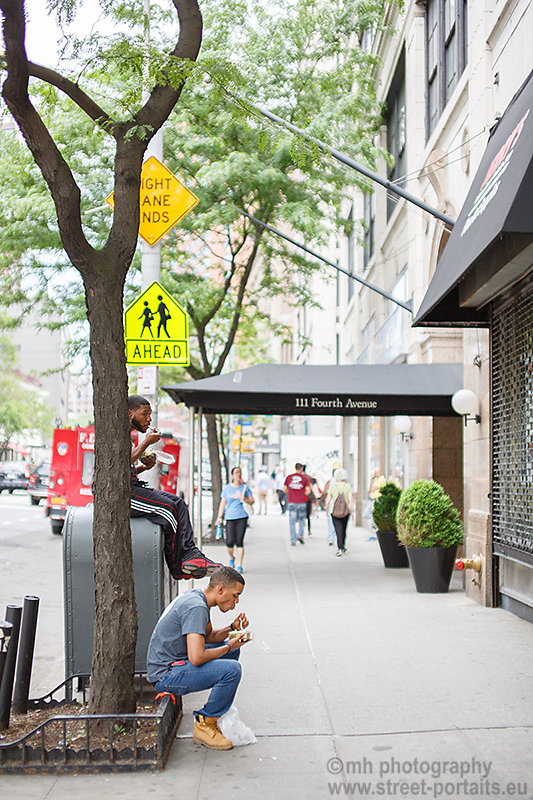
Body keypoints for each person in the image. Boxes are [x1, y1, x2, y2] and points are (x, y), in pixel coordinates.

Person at [147, 566, 251, 751]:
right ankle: (205, 724)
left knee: (231, 652)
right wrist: (228, 646)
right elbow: (197, 657)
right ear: (220, 589)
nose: (236, 601)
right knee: (232, 669)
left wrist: (231, 629)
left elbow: (208, 637)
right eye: (235, 595)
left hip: (178, 660)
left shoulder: (199, 598)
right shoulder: (196, 607)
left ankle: (216, 715)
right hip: (166, 674)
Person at [128, 394, 221, 580]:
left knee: (179, 503)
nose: (149, 419)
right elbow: (118, 465)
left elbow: (122, 469)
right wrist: (146, 441)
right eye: (145, 414)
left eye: (150, 414)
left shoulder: (127, 436)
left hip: (132, 486)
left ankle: (190, 553)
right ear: (130, 413)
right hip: (124, 495)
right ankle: (178, 566)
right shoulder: (116, 434)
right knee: (168, 510)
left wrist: (142, 467)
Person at [216, 466, 254, 574]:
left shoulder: (245, 488)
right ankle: (231, 558)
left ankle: (239, 566)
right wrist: (219, 517)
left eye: (240, 473)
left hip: (242, 516)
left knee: (239, 542)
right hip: (230, 517)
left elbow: (252, 500)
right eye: (236, 473)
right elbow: (223, 502)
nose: (238, 475)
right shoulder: (227, 488)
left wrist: (245, 499)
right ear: (232, 475)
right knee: (229, 542)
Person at [325, 467, 354, 556]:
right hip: (346, 512)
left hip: (335, 512)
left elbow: (328, 500)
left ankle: (340, 548)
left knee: (338, 530)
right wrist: (352, 511)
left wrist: (326, 509)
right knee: (344, 529)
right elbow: (350, 500)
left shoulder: (333, 487)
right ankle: (342, 546)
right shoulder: (347, 486)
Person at [283, 462, 311, 546]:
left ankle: (293, 540)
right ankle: (300, 535)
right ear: (301, 468)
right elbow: (308, 491)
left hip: (292, 501)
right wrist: (302, 494)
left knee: (292, 522)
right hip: (302, 502)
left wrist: (290, 493)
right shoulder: (304, 478)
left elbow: (284, 489)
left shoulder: (289, 477)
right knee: (302, 520)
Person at [322, 462, 340, 546]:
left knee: (330, 521)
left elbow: (326, 492)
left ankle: (331, 538)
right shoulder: (343, 483)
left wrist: (326, 505)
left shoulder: (330, 481)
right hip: (340, 505)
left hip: (332, 504)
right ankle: (339, 538)